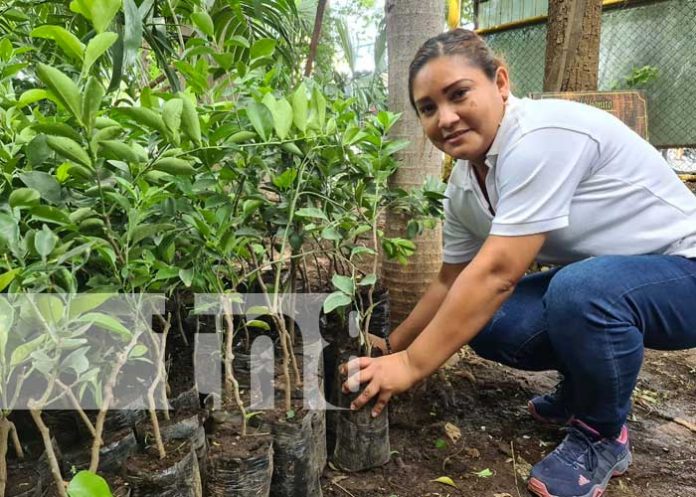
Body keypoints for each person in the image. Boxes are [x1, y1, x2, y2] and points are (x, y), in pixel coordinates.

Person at [341, 28, 696, 497]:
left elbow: (499, 274)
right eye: (428, 108)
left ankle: (602, 434)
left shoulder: (539, 137)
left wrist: (411, 365)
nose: (445, 118)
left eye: (459, 94)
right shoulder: (466, 185)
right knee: (490, 322)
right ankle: (583, 390)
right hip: (618, 280)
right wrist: (393, 344)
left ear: (501, 83)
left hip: (683, 273)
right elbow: (452, 282)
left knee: (580, 290)